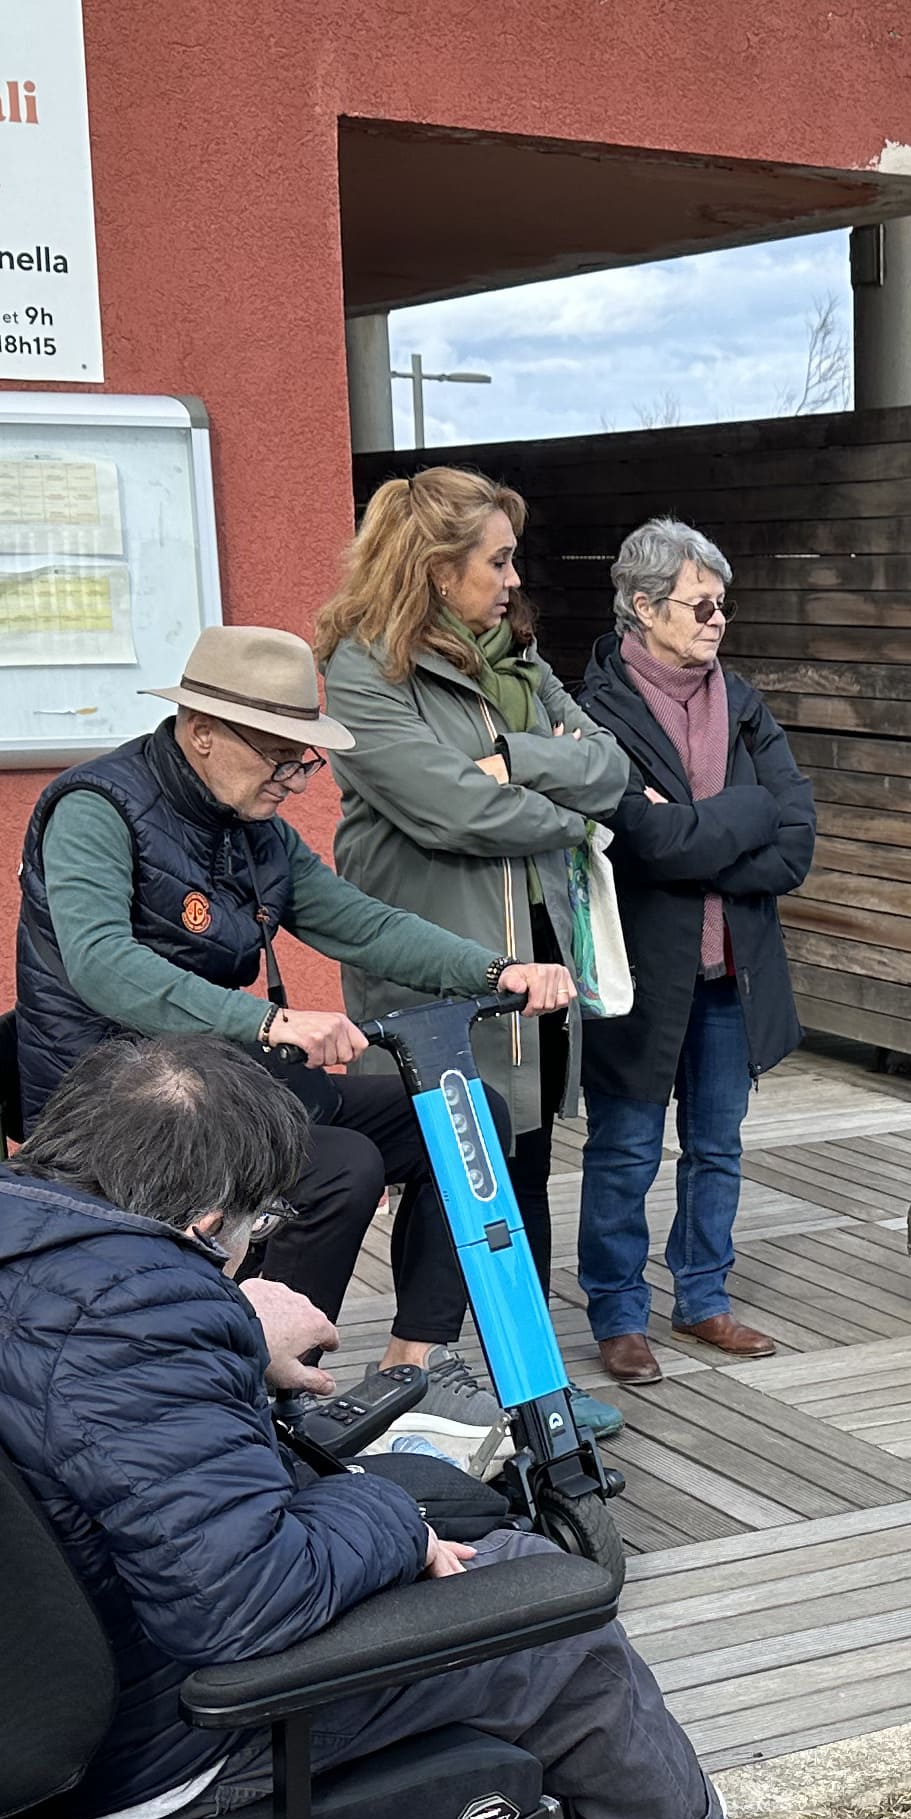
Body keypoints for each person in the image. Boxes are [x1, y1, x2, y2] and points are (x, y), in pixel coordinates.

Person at [0, 1033, 891, 1819]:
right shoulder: (133, 1312)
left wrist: (229, 1335)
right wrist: (386, 1523)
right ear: (212, 1221)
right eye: (256, 1230)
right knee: (549, 1610)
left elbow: (65, 1401)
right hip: (146, 1742)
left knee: (447, 1505)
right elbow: (246, 1601)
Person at [10, 623, 579, 1380]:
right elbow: (103, 965)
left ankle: (412, 1365)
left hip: (218, 1078)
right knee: (338, 1167)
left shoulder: (254, 830)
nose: (295, 780)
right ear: (202, 732)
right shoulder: (97, 807)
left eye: (302, 758)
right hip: (118, 1095)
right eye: (279, 756)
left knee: (468, 1115)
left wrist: (493, 969)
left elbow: (360, 921)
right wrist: (267, 1021)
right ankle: (257, 1375)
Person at [319, 469, 632, 1426]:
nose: (510, 578)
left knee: (523, 1172)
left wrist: (519, 760)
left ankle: (532, 1389)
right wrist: (561, 817)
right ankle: (433, 1388)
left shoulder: (518, 665)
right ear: (434, 565)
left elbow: (612, 766)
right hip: (437, 978)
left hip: (532, 970)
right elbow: (453, 810)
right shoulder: (362, 673)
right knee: (455, 1185)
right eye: (495, 560)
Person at [567, 519, 817, 1385]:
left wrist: (698, 830)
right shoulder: (595, 712)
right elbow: (645, 843)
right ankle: (617, 1311)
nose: (717, 620)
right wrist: (736, 819)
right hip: (639, 973)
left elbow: (795, 843)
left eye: (723, 604)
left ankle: (704, 1296)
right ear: (643, 608)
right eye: (701, 604)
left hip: (732, 974)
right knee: (626, 1149)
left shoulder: (743, 702)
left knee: (719, 1145)